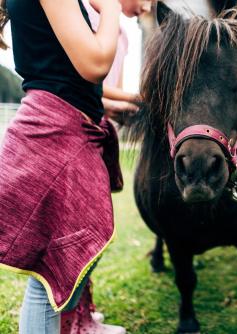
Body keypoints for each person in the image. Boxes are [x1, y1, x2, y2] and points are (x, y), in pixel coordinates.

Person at [0, 0, 130, 332]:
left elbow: (68, 76)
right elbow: (94, 64)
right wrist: (112, 9)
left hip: (66, 131)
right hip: (55, 135)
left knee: (76, 261)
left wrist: (135, 97)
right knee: (47, 283)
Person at [57, 1, 150, 333]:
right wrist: (134, 99)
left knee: (90, 231)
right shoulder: (93, 13)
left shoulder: (121, 29)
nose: (148, 7)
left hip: (94, 127)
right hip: (74, 125)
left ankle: (81, 311)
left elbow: (100, 90)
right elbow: (81, 76)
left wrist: (135, 100)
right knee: (75, 234)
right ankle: (70, 320)